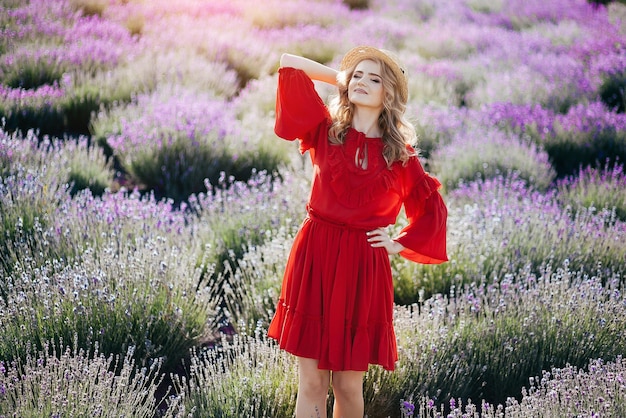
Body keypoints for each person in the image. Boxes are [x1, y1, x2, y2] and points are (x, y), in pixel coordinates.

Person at [267, 46, 448, 418]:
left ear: (390, 94)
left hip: (363, 266)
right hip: (315, 256)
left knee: (348, 387)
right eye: (358, 75)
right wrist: (343, 79)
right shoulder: (326, 131)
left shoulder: (401, 156)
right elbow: (288, 65)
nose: (363, 82)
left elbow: (431, 212)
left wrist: (397, 244)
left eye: (375, 79)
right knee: (312, 383)